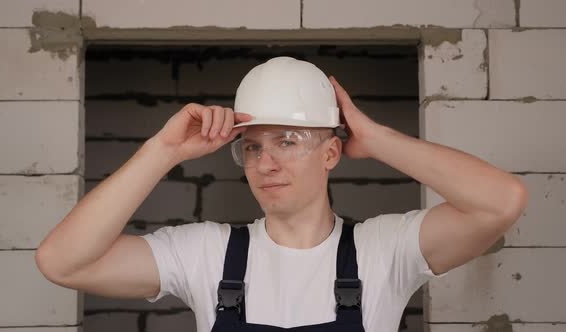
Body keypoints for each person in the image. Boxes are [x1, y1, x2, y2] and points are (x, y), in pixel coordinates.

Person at [35, 56, 528, 332]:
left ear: (331, 154)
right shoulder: (206, 252)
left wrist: (375, 139)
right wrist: (161, 150)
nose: (265, 163)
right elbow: (62, 262)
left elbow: (501, 201)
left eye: (287, 142)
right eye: (251, 147)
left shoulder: (387, 250)